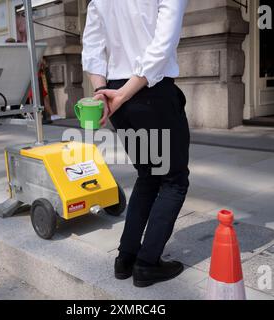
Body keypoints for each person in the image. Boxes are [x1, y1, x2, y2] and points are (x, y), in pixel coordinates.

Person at [82, 0, 190, 288]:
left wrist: (103, 92)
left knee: (148, 175)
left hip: (116, 92)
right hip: (149, 89)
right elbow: (161, 44)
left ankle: (126, 257)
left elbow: (92, 47)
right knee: (174, 180)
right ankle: (147, 264)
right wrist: (125, 93)